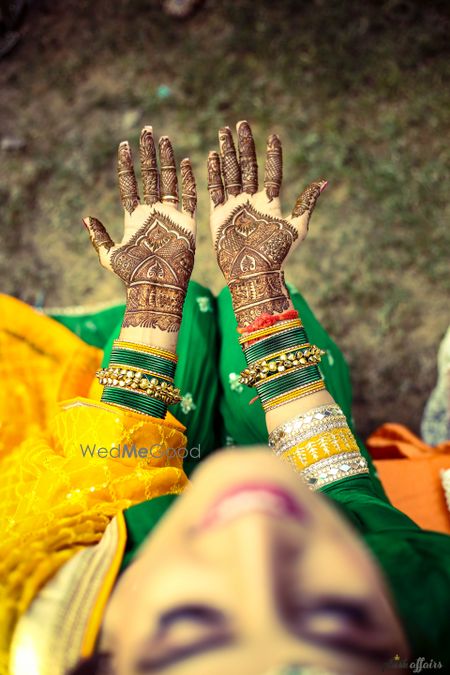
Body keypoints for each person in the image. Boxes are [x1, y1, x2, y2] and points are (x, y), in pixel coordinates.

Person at [1, 122, 449, 675]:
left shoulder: (26, 612)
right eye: (334, 617)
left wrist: (153, 304)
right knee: (277, 330)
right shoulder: (432, 619)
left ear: (100, 648)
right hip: (310, 476)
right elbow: (355, 500)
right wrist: (260, 291)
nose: (254, 530)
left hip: (131, 477)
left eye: (189, 620)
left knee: (186, 312)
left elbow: (96, 488)